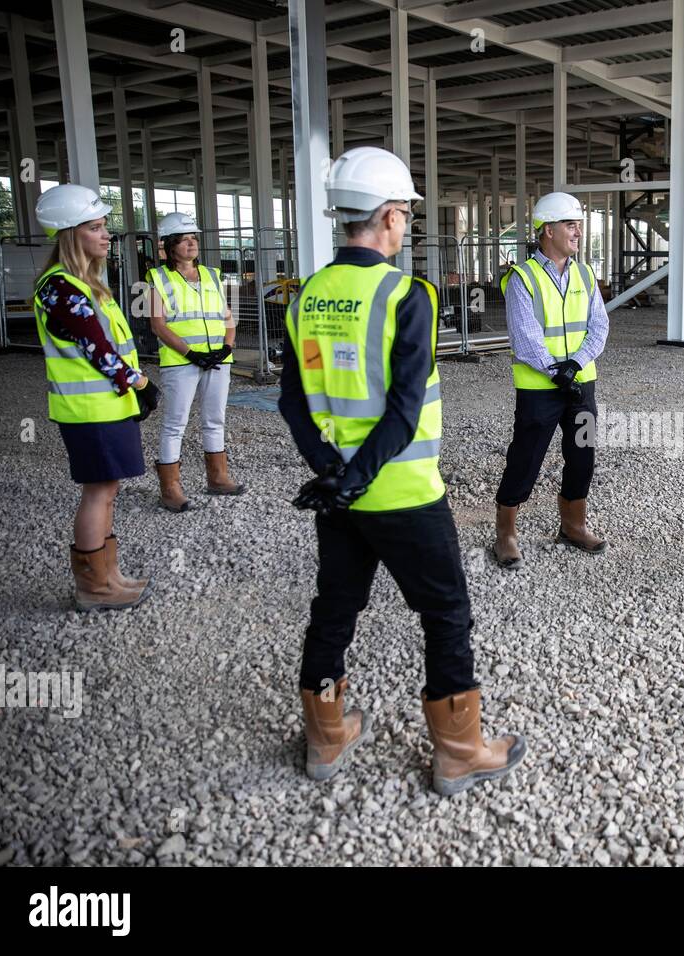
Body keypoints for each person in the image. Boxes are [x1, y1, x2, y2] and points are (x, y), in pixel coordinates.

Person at [278, 146, 525, 794]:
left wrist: (333, 473)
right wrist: (358, 476)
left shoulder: (306, 294)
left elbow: (291, 400)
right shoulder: (405, 295)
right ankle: (458, 751)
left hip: (341, 498)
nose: (406, 225)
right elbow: (404, 411)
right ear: (388, 217)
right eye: (405, 215)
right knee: (444, 612)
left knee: (334, 609)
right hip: (405, 493)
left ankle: (326, 737)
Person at [33, 184, 160, 610]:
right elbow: (98, 351)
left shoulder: (81, 284)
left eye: (105, 227)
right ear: (72, 234)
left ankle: (109, 576)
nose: (106, 235)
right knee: (98, 493)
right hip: (90, 410)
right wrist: (141, 383)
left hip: (106, 406)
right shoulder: (63, 288)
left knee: (108, 491)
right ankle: (94, 587)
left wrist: (133, 384)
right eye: (96, 227)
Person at [492, 191, 609, 568]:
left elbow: (599, 327)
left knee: (583, 455)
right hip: (539, 389)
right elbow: (525, 337)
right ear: (547, 231)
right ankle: (506, 534)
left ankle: (573, 525)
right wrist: (556, 372)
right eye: (570, 225)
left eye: (579, 225)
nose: (578, 232)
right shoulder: (522, 278)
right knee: (525, 459)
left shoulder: (586, 274)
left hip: (581, 387)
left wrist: (574, 366)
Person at [147, 212, 245, 511]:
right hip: (181, 362)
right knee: (175, 423)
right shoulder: (157, 279)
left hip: (217, 360)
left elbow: (229, 318)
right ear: (170, 245)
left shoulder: (214, 276)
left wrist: (226, 348)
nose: (191, 244)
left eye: (194, 238)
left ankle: (218, 479)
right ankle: (170, 489)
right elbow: (158, 325)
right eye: (184, 239)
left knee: (215, 419)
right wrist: (190, 354)